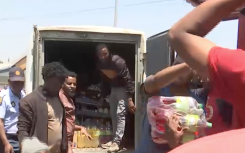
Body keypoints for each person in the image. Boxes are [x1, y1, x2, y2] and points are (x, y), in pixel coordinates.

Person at [134, 56, 207, 153]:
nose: (179, 70)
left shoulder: (196, 104)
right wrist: (189, 64)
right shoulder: (157, 90)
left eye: (187, 67)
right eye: (177, 65)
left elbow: (195, 142)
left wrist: (174, 141)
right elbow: (154, 81)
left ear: (193, 73)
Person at [18, 62, 69, 153]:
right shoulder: (29, 101)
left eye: (61, 83)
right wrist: (33, 149)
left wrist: (66, 146)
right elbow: (22, 131)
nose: (59, 86)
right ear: (46, 79)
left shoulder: (59, 99)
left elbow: (62, 126)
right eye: (56, 83)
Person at [96, 43, 135, 152]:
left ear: (109, 53)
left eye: (105, 54)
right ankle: (114, 139)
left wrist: (130, 98)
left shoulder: (118, 62)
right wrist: (102, 96)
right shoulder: (101, 64)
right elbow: (104, 81)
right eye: (101, 55)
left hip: (123, 89)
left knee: (120, 114)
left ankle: (117, 142)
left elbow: (128, 79)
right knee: (113, 114)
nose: (103, 56)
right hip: (113, 89)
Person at [59, 71, 92, 153]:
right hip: (61, 142)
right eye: (69, 84)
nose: (72, 86)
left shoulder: (69, 99)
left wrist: (80, 128)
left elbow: (68, 122)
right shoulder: (58, 98)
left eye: (74, 84)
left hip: (68, 141)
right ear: (62, 83)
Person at [0, 67, 25, 153]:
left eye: (20, 82)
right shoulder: (3, 97)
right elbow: (0, 122)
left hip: (20, 138)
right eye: (15, 82)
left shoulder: (23, 95)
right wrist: (6, 143)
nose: (18, 85)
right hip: (8, 138)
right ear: (9, 82)